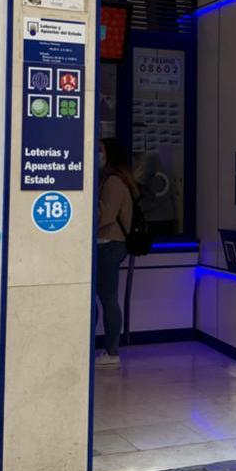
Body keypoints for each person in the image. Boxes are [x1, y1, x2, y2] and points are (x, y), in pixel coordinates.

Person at [94, 138, 136, 369]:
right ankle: (110, 350)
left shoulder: (113, 182)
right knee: (106, 297)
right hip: (109, 244)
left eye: (100, 151)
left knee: (108, 299)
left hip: (109, 244)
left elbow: (106, 216)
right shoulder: (114, 180)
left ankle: (112, 352)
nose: (96, 154)